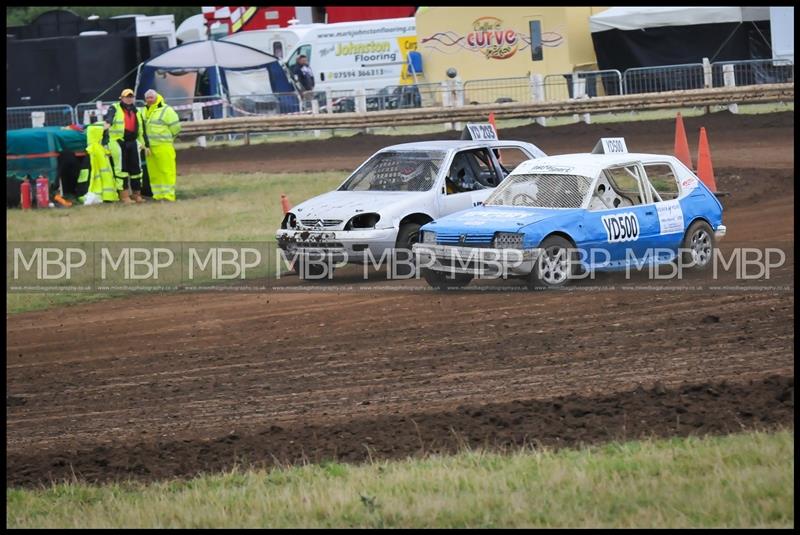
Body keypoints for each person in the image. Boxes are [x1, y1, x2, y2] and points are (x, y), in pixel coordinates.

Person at [104, 88, 146, 204]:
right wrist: (107, 124)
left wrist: (143, 144)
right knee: (121, 170)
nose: (129, 99)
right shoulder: (114, 107)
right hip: (118, 142)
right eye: (126, 97)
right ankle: (124, 196)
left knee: (136, 170)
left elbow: (141, 129)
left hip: (133, 142)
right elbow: (109, 118)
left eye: (131, 97)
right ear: (121, 98)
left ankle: (137, 194)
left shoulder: (136, 111)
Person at [142, 89, 181, 202]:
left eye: (151, 98)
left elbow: (176, 128)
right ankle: (158, 195)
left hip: (164, 145)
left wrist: (168, 138)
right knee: (154, 173)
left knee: (166, 171)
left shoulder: (167, 110)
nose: (149, 100)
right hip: (149, 148)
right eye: (147, 98)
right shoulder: (143, 111)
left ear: (156, 97)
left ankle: (168, 195)